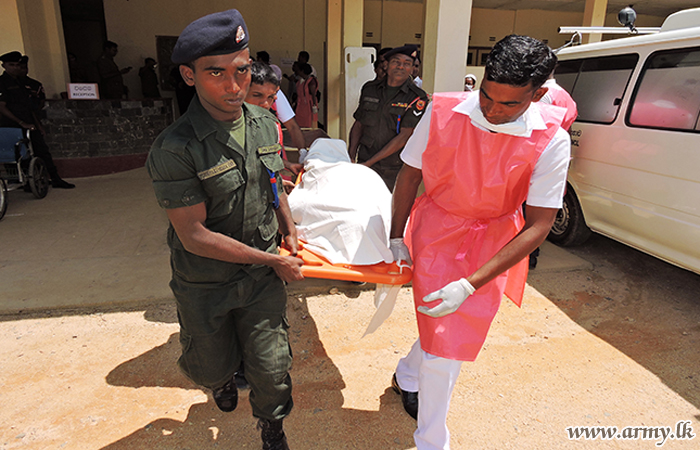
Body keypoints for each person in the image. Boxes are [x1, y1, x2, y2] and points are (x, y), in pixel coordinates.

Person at [388, 35, 571, 449]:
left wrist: (470, 284)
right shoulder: (443, 111)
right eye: (487, 95)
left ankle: (407, 374)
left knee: (449, 319)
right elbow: (410, 173)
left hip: (494, 240)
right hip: (437, 230)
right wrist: (397, 236)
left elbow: (539, 224)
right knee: (447, 346)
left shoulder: (551, 140)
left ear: (538, 95)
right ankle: (431, 440)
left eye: (508, 104)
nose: (491, 109)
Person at [145, 10, 303, 450]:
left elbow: (274, 183)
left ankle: (272, 428)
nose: (234, 86)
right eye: (216, 73)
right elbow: (194, 234)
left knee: (272, 366)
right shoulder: (175, 148)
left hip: (260, 279)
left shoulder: (264, 123)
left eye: (242, 70)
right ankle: (221, 380)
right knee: (211, 364)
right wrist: (273, 259)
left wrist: (288, 228)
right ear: (189, 75)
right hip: (206, 282)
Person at [347, 45, 428, 190]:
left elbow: (405, 136)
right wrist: (350, 156)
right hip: (364, 160)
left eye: (407, 64)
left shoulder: (417, 97)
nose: (401, 67)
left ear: (412, 69)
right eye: (396, 62)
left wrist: (370, 163)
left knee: (389, 203)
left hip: (394, 168)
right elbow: (359, 124)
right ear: (387, 65)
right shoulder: (370, 89)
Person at [0, 51, 74, 189]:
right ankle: (25, 182)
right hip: (11, 125)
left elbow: (29, 108)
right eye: (11, 65)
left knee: (42, 150)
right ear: (4, 66)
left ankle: (55, 178)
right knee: (18, 155)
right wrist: (21, 123)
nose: (15, 68)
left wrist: (38, 125)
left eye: (17, 65)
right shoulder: (2, 82)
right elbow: (2, 107)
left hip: (29, 123)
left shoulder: (23, 82)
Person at [245, 61, 304, 186]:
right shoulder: (232, 126)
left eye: (271, 97)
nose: (265, 104)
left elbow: (264, 156)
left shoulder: (270, 124)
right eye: (256, 95)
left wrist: (287, 166)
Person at [294, 62, 317, 128]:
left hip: (309, 106)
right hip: (300, 106)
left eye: (299, 70)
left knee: (309, 124)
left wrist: (314, 106)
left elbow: (313, 94)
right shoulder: (300, 81)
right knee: (299, 123)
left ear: (302, 71)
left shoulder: (311, 81)